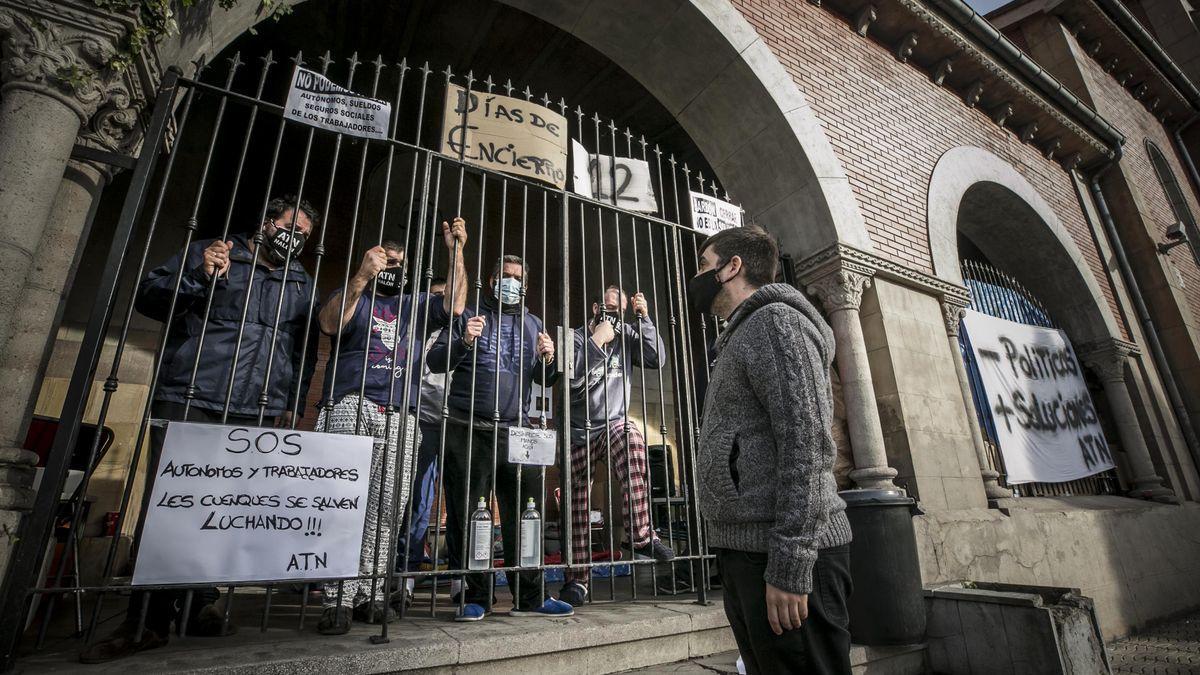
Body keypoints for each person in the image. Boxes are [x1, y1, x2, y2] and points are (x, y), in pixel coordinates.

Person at [81, 195, 321, 663]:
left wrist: (291, 403)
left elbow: (302, 348)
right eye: (290, 227)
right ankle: (145, 622)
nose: (296, 239)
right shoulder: (216, 251)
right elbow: (151, 297)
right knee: (170, 512)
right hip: (193, 394)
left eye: (306, 237)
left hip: (254, 408)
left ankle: (198, 604)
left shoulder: (300, 281)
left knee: (223, 511)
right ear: (268, 222)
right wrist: (198, 276)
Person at [690, 226, 853, 674]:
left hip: (784, 556)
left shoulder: (775, 322)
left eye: (705, 266)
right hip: (750, 550)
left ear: (732, 267)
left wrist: (791, 564)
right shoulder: (742, 334)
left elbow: (807, 444)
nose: (698, 277)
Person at [314, 220, 467, 635]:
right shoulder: (356, 295)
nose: (393, 268)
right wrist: (362, 275)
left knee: (388, 509)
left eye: (399, 263)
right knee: (343, 503)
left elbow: (454, 305)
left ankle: (368, 592)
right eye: (387, 261)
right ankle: (337, 597)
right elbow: (329, 324)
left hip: (401, 410)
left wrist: (455, 250)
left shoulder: (414, 304)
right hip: (351, 402)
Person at [426, 254, 573, 621]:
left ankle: (531, 595)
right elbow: (435, 361)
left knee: (526, 515)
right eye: (505, 275)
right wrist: (464, 340)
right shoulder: (468, 313)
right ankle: (477, 595)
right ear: (492, 280)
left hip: (515, 430)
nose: (511, 282)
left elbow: (545, 380)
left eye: (518, 277)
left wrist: (549, 359)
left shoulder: (533, 323)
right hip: (468, 426)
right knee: (470, 514)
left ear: (525, 285)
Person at [559, 285, 674, 607]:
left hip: (612, 423)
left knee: (634, 440)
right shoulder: (575, 337)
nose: (612, 314)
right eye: (607, 307)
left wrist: (644, 319)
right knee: (576, 508)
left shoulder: (626, 337)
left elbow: (657, 359)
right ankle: (577, 580)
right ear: (596, 308)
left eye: (618, 310)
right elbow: (571, 381)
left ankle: (640, 536)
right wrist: (598, 341)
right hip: (576, 430)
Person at [394, 275, 449, 607]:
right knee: (418, 501)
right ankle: (406, 577)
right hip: (423, 420)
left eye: (446, 297)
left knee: (463, 504)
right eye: (436, 297)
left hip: (458, 422)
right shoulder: (415, 334)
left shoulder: (463, 329)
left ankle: (461, 579)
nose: (441, 304)